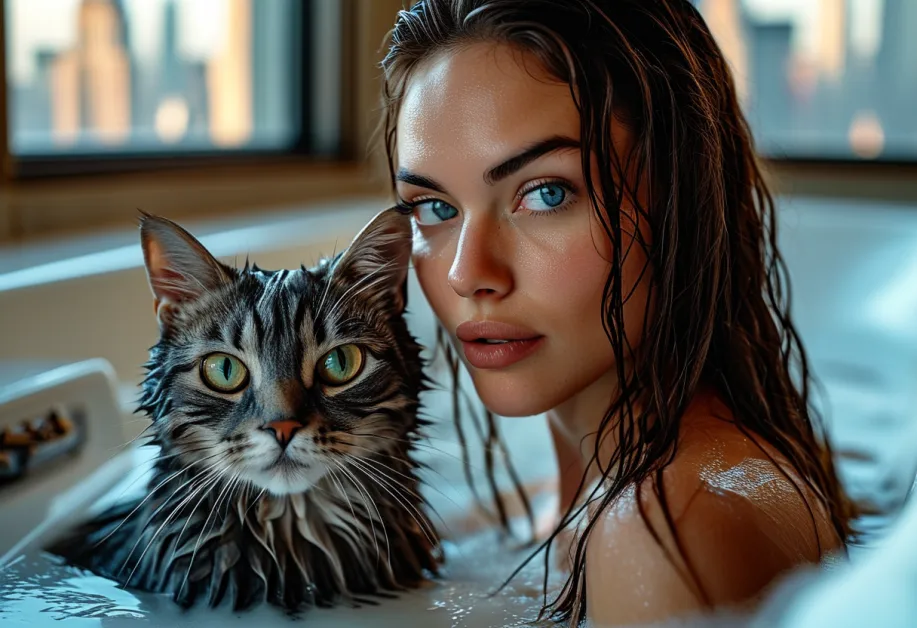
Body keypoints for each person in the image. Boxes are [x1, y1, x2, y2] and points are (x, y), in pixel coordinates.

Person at [378, 0, 856, 625]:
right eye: (434, 208)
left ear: (679, 194)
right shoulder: (592, 500)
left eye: (546, 193)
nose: (468, 273)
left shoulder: (664, 530)